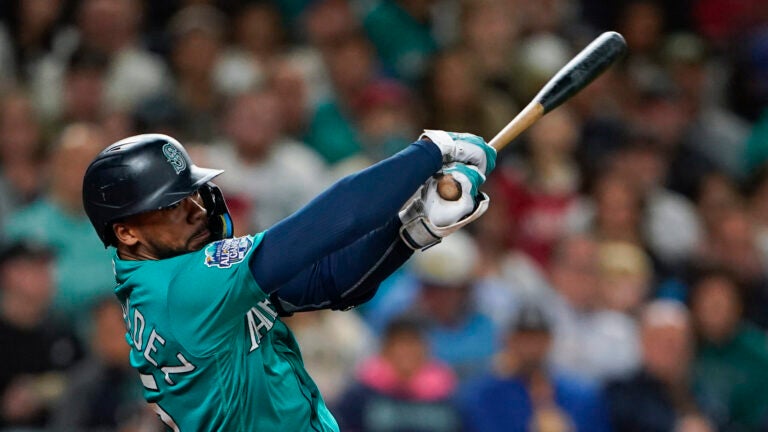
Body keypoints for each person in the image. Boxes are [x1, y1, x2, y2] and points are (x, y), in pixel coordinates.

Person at [81, 131, 495, 430]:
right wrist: (431, 152)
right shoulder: (183, 287)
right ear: (127, 232)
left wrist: (409, 231)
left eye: (190, 193)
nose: (194, 209)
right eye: (170, 205)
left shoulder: (162, 276)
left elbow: (328, 283)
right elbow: (334, 221)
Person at [457, 300, 611, 432]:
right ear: (508, 340)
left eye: (538, 339)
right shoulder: (482, 396)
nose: (531, 348)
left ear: (550, 340)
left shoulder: (580, 394)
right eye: (523, 338)